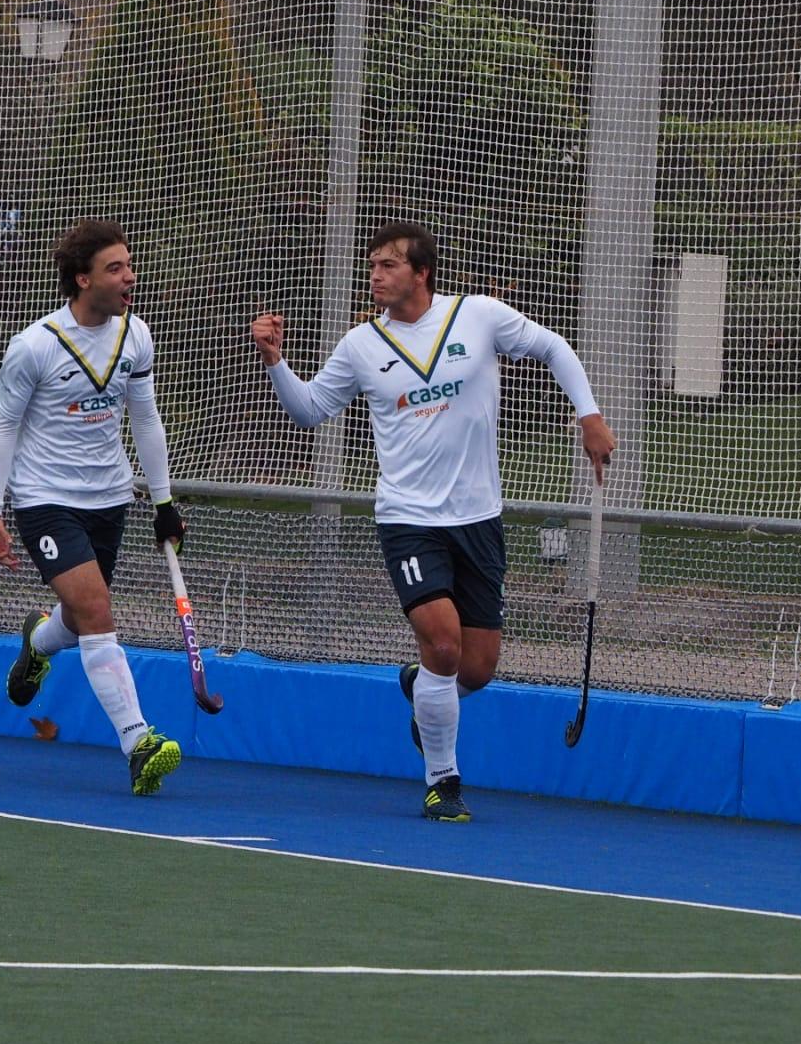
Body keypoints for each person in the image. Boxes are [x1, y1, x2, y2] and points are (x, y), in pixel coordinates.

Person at [250, 223, 616, 822]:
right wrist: (276, 363)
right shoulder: (360, 345)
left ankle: (421, 690)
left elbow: (555, 348)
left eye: (388, 265)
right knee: (443, 645)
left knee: (477, 667)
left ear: (421, 272)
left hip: (479, 518)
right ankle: (442, 780)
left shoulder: (478, 316)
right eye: (372, 265)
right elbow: (310, 411)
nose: (375, 275)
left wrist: (589, 418)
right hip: (408, 520)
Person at [0, 218, 186, 796]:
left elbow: (145, 419)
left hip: (110, 497)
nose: (130, 276)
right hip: (46, 500)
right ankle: (137, 742)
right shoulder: (34, 346)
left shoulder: (136, 335)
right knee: (97, 612)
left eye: (129, 264)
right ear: (81, 278)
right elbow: (5, 426)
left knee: (77, 619)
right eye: (115, 268)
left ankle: (38, 643)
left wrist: (164, 501)